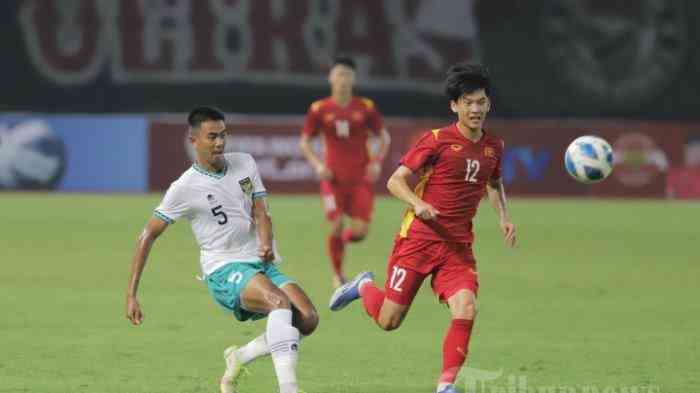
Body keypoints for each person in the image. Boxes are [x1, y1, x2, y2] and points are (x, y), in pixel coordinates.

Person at [329, 64, 516, 393]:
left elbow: (494, 183)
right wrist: (418, 204)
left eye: (481, 102)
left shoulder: (494, 147)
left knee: (467, 307)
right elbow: (395, 181)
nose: (476, 109)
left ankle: (445, 386)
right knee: (389, 321)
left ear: (488, 104)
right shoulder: (436, 141)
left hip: (457, 247)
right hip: (417, 240)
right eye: (468, 102)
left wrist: (504, 216)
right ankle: (364, 287)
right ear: (454, 106)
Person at [125, 107, 318, 393]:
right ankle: (289, 389)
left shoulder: (245, 163)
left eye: (223, 135)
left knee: (307, 318)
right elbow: (147, 236)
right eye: (212, 136)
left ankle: (239, 357)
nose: (219, 143)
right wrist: (132, 294)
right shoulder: (184, 188)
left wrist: (265, 242)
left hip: (259, 263)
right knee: (279, 303)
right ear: (194, 141)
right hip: (223, 269)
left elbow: (261, 210)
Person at [299, 56, 391, 288]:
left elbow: (384, 137)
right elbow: (305, 141)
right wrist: (318, 165)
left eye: (347, 75)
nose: (343, 80)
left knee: (360, 232)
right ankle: (338, 275)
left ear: (354, 79)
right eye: (339, 74)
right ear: (331, 78)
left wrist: (377, 161)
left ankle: (340, 242)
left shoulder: (366, 107)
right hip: (333, 177)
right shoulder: (319, 109)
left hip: (360, 177)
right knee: (337, 223)